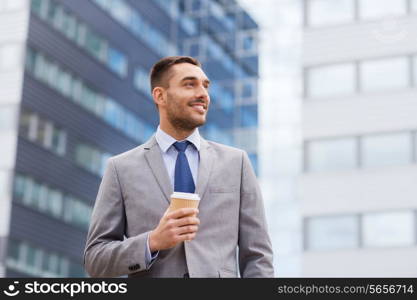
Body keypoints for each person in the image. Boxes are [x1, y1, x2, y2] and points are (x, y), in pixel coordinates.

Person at [83, 56, 274, 278]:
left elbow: (258, 256)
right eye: (189, 84)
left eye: (205, 85)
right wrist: (152, 241)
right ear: (160, 95)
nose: (203, 94)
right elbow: (95, 259)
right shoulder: (121, 168)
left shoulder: (236, 163)